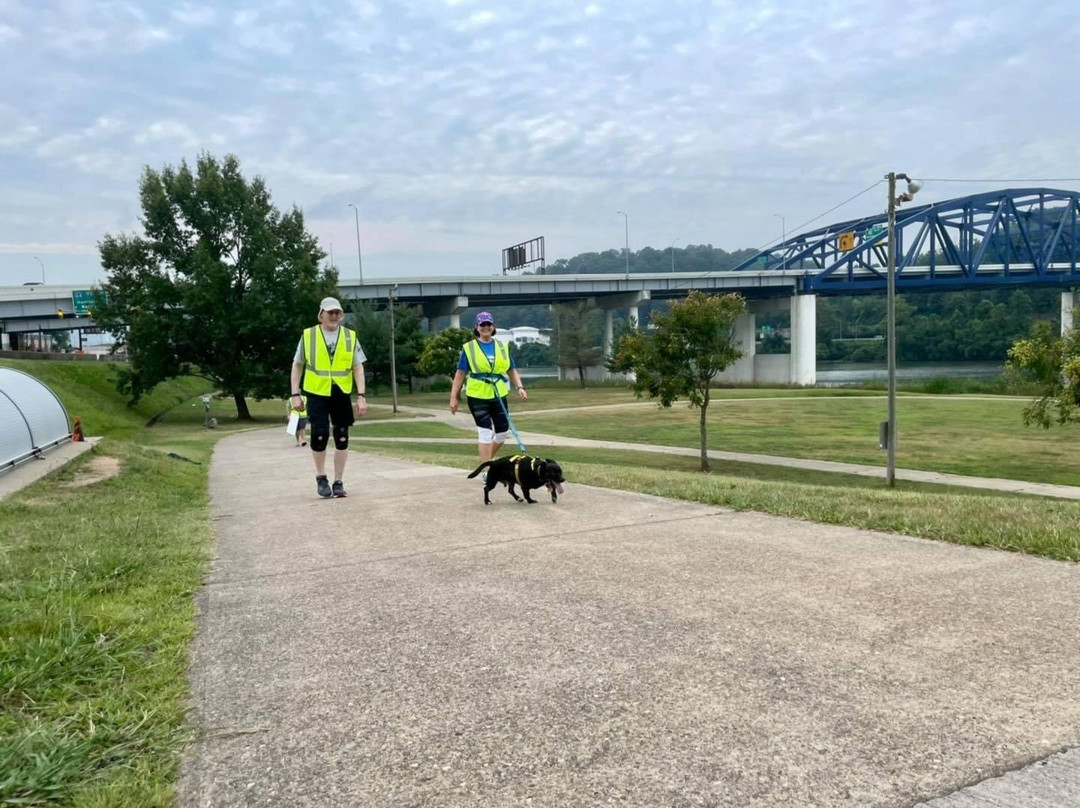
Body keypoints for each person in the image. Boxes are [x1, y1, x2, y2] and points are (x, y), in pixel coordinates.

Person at [289, 297, 367, 498]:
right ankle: (321, 477)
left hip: (341, 391)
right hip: (316, 392)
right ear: (321, 314)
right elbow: (297, 365)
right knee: (319, 434)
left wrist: (361, 395)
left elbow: (357, 367)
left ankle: (339, 481)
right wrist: (295, 394)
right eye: (329, 312)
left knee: (342, 436)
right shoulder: (309, 335)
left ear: (340, 315)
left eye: (337, 313)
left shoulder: (350, 336)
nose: (333, 316)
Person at [449, 311, 528, 464]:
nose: (486, 327)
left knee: (502, 433)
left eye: (488, 324)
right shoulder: (469, 348)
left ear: (493, 327)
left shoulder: (502, 347)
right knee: (485, 432)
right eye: (482, 324)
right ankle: (487, 470)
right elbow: (460, 374)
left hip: (498, 393)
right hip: (477, 395)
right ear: (477, 327)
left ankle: (486, 462)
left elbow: (511, 370)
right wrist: (453, 397)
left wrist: (520, 387)